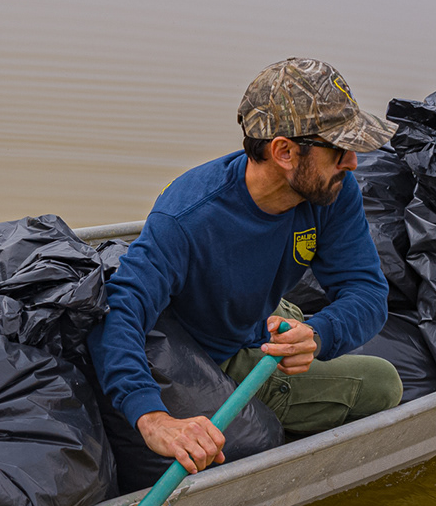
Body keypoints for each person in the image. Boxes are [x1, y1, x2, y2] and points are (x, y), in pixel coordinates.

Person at [88, 58, 403, 475]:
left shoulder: (333, 194)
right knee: (383, 383)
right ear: (284, 151)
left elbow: (367, 291)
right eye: (339, 149)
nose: (353, 163)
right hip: (202, 351)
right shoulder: (189, 218)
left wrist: (321, 333)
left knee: (314, 324)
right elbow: (119, 310)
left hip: (259, 315)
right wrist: (152, 416)